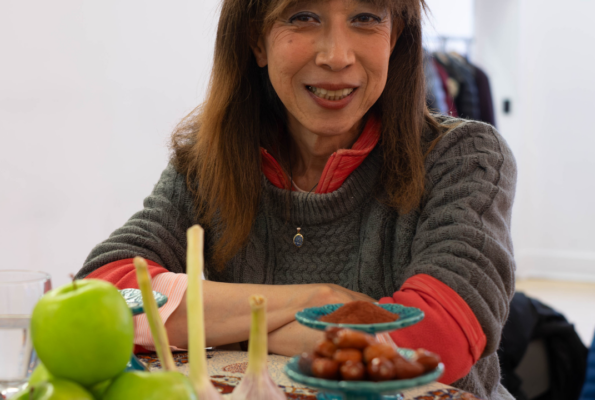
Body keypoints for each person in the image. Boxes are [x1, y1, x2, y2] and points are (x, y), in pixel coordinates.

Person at [75, 0, 517, 398]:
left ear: (395, 38)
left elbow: (434, 339)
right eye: (303, 17)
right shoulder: (209, 161)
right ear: (257, 40)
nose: (337, 56)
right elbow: (104, 297)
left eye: (366, 18)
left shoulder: (465, 157)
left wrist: (227, 329)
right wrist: (313, 299)